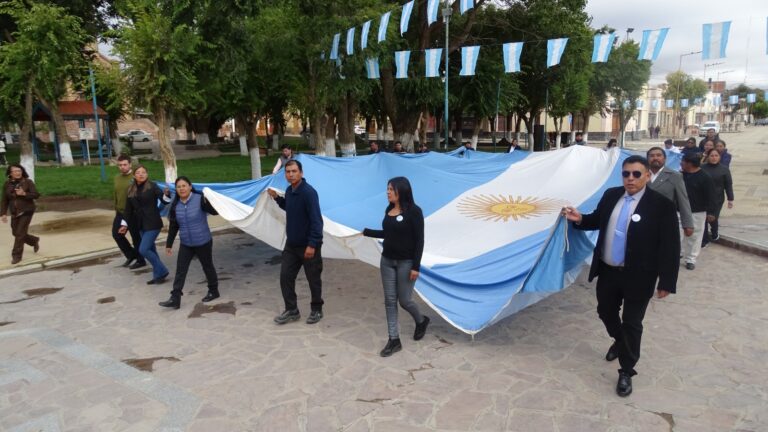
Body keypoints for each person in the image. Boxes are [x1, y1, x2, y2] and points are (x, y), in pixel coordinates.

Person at [563, 155, 680, 397]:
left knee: (632, 323)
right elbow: (597, 220)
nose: (630, 179)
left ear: (647, 175)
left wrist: (667, 280)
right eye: (626, 174)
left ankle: (626, 369)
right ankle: (620, 340)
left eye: (637, 174)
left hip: (640, 276)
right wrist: (580, 218)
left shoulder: (661, 205)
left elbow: (670, 246)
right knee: (605, 311)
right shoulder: (611, 196)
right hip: (608, 270)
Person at [363, 177, 430, 357]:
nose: (388, 192)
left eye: (391, 189)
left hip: (406, 263)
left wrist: (416, 266)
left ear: (401, 191)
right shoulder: (389, 210)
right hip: (387, 262)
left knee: (405, 301)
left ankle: (421, 320)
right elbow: (388, 233)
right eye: (387, 189)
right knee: (390, 301)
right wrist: (367, 232)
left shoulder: (415, 212)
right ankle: (394, 339)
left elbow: (419, 241)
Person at [267, 160, 324, 325]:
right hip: (292, 245)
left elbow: (316, 222)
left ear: (301, 173)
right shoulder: (290, 191)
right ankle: (292, 310)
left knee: (313, 279)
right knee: (285, 277)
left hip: (308, 246)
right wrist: (277, 198)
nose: (291, 174)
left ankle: (317, 310)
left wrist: (312, 245)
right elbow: (289, 207)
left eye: (294, 171)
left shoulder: (308, 193)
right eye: (288, 172)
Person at [159, 177, 220, 309]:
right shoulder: (176, 205)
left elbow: (214, 212)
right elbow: (174, 226)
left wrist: (208, 200)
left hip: (203, 240)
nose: (181, 189)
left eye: (184, 186)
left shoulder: (199, 199)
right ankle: (175, 297)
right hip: (186, 243)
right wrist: (169, 244)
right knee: (180, 270)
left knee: (207, 266)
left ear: (190, 186)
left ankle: (214, 291)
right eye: (179, 187)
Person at [119, 165, 171, 284]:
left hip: (153, 222)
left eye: (143, 172)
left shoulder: (153, 186)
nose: (141, 174)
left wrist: (167, 194)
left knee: (143, 249)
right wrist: (124, 224)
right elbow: (127, 209)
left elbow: (164, 200)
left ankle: (162, 270)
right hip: (140, 224)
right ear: (134, 175)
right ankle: (158, 275)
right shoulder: (130, 189)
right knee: (151, 249)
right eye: (138, 172)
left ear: (147, 174)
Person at [646, 147, 694, 239]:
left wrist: (688, 224)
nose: (655, 158)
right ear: (647, 159)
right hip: (643, 218)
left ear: (664, 158)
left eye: (658, 155)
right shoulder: (640, 174)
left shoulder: (675, 176)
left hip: (665, 220)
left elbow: (683, 200)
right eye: (652, 156)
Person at [680, 153, 716, 270]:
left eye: (683, 161)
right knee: (677, 234)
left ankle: (690, 259)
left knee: (694, 236)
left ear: (689, 163)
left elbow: (711, 196)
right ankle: (678, 253)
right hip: (679, 210)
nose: (681, 163)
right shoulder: (680, 175)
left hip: (697, 211)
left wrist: (711, 212)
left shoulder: (705, 177)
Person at [1, 164, 41, 264]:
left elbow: (36, 195)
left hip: (27, 210)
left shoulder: (28, 182)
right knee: (16, 233)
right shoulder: (7, 184)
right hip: (14, 212)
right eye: (15, 171)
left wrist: (24, 194)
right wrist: (3, 213)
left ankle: (16, 256)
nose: (18, 173)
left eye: (19, 171)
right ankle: (33, 241)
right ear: (10, 173)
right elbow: (4, 200)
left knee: (19, 234)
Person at [112, 155, 146, 269]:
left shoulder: (135, 178)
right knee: (117, 235)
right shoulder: (117, 177)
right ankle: (131, 255)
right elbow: (116, 194)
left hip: (133, 213)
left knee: (136, 237)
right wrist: (116, 207)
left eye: (125, 164)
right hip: (120, 211)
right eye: (120, 165)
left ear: (130, 164)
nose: (122, 167)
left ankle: (141, 260)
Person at [701, 150, 734, 245]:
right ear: (708, 157)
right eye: (712, 155)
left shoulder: (724, 169)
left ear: (719, 157)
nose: (714, 157)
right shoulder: (702, 168)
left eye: (716, 155)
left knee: (713, 217)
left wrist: (730, 199)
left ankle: (715, 233)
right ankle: (704, 239)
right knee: (704, 218)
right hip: (703, 197)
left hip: (717, 198)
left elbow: (728, 185)